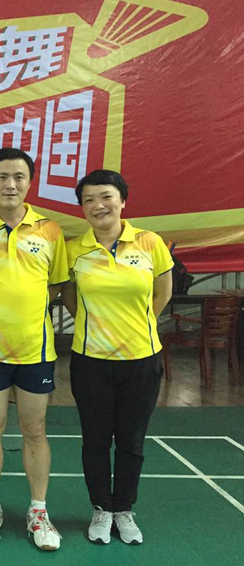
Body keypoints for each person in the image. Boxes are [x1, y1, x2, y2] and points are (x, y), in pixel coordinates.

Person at [0, 147, 69, 551]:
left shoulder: (50, 231)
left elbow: (56, 285)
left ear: (29, 182)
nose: (10, 184)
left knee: (34, 429)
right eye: (2, 177)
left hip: (35, 351)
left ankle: (38, 511)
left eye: (19, 177)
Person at [62, 169, 173, 545]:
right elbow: (70, 297)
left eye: (106, 196)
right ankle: (101, 509)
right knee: (95, 440)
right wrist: (97, 325)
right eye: (89, 200)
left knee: (131, 440)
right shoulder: (74, 250)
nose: (98, 205)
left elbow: (162, 292)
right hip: (90, 361)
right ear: (82, 208)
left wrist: (136, 327)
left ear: (123, 201)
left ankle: (124, 509)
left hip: (142, 360)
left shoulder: (149, 242)